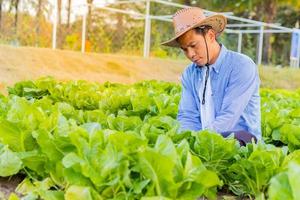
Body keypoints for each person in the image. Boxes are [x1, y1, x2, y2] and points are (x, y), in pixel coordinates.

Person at [161, 7, 261, 144]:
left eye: (193, 45)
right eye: (185, 50)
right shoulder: (190, 74)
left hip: (242, 145)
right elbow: (187, 115)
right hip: (207, 144)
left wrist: (199, 140)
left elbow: (229, 117)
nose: (190, 54)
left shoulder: (241, 66)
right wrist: (188, 142)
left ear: (210, 36)